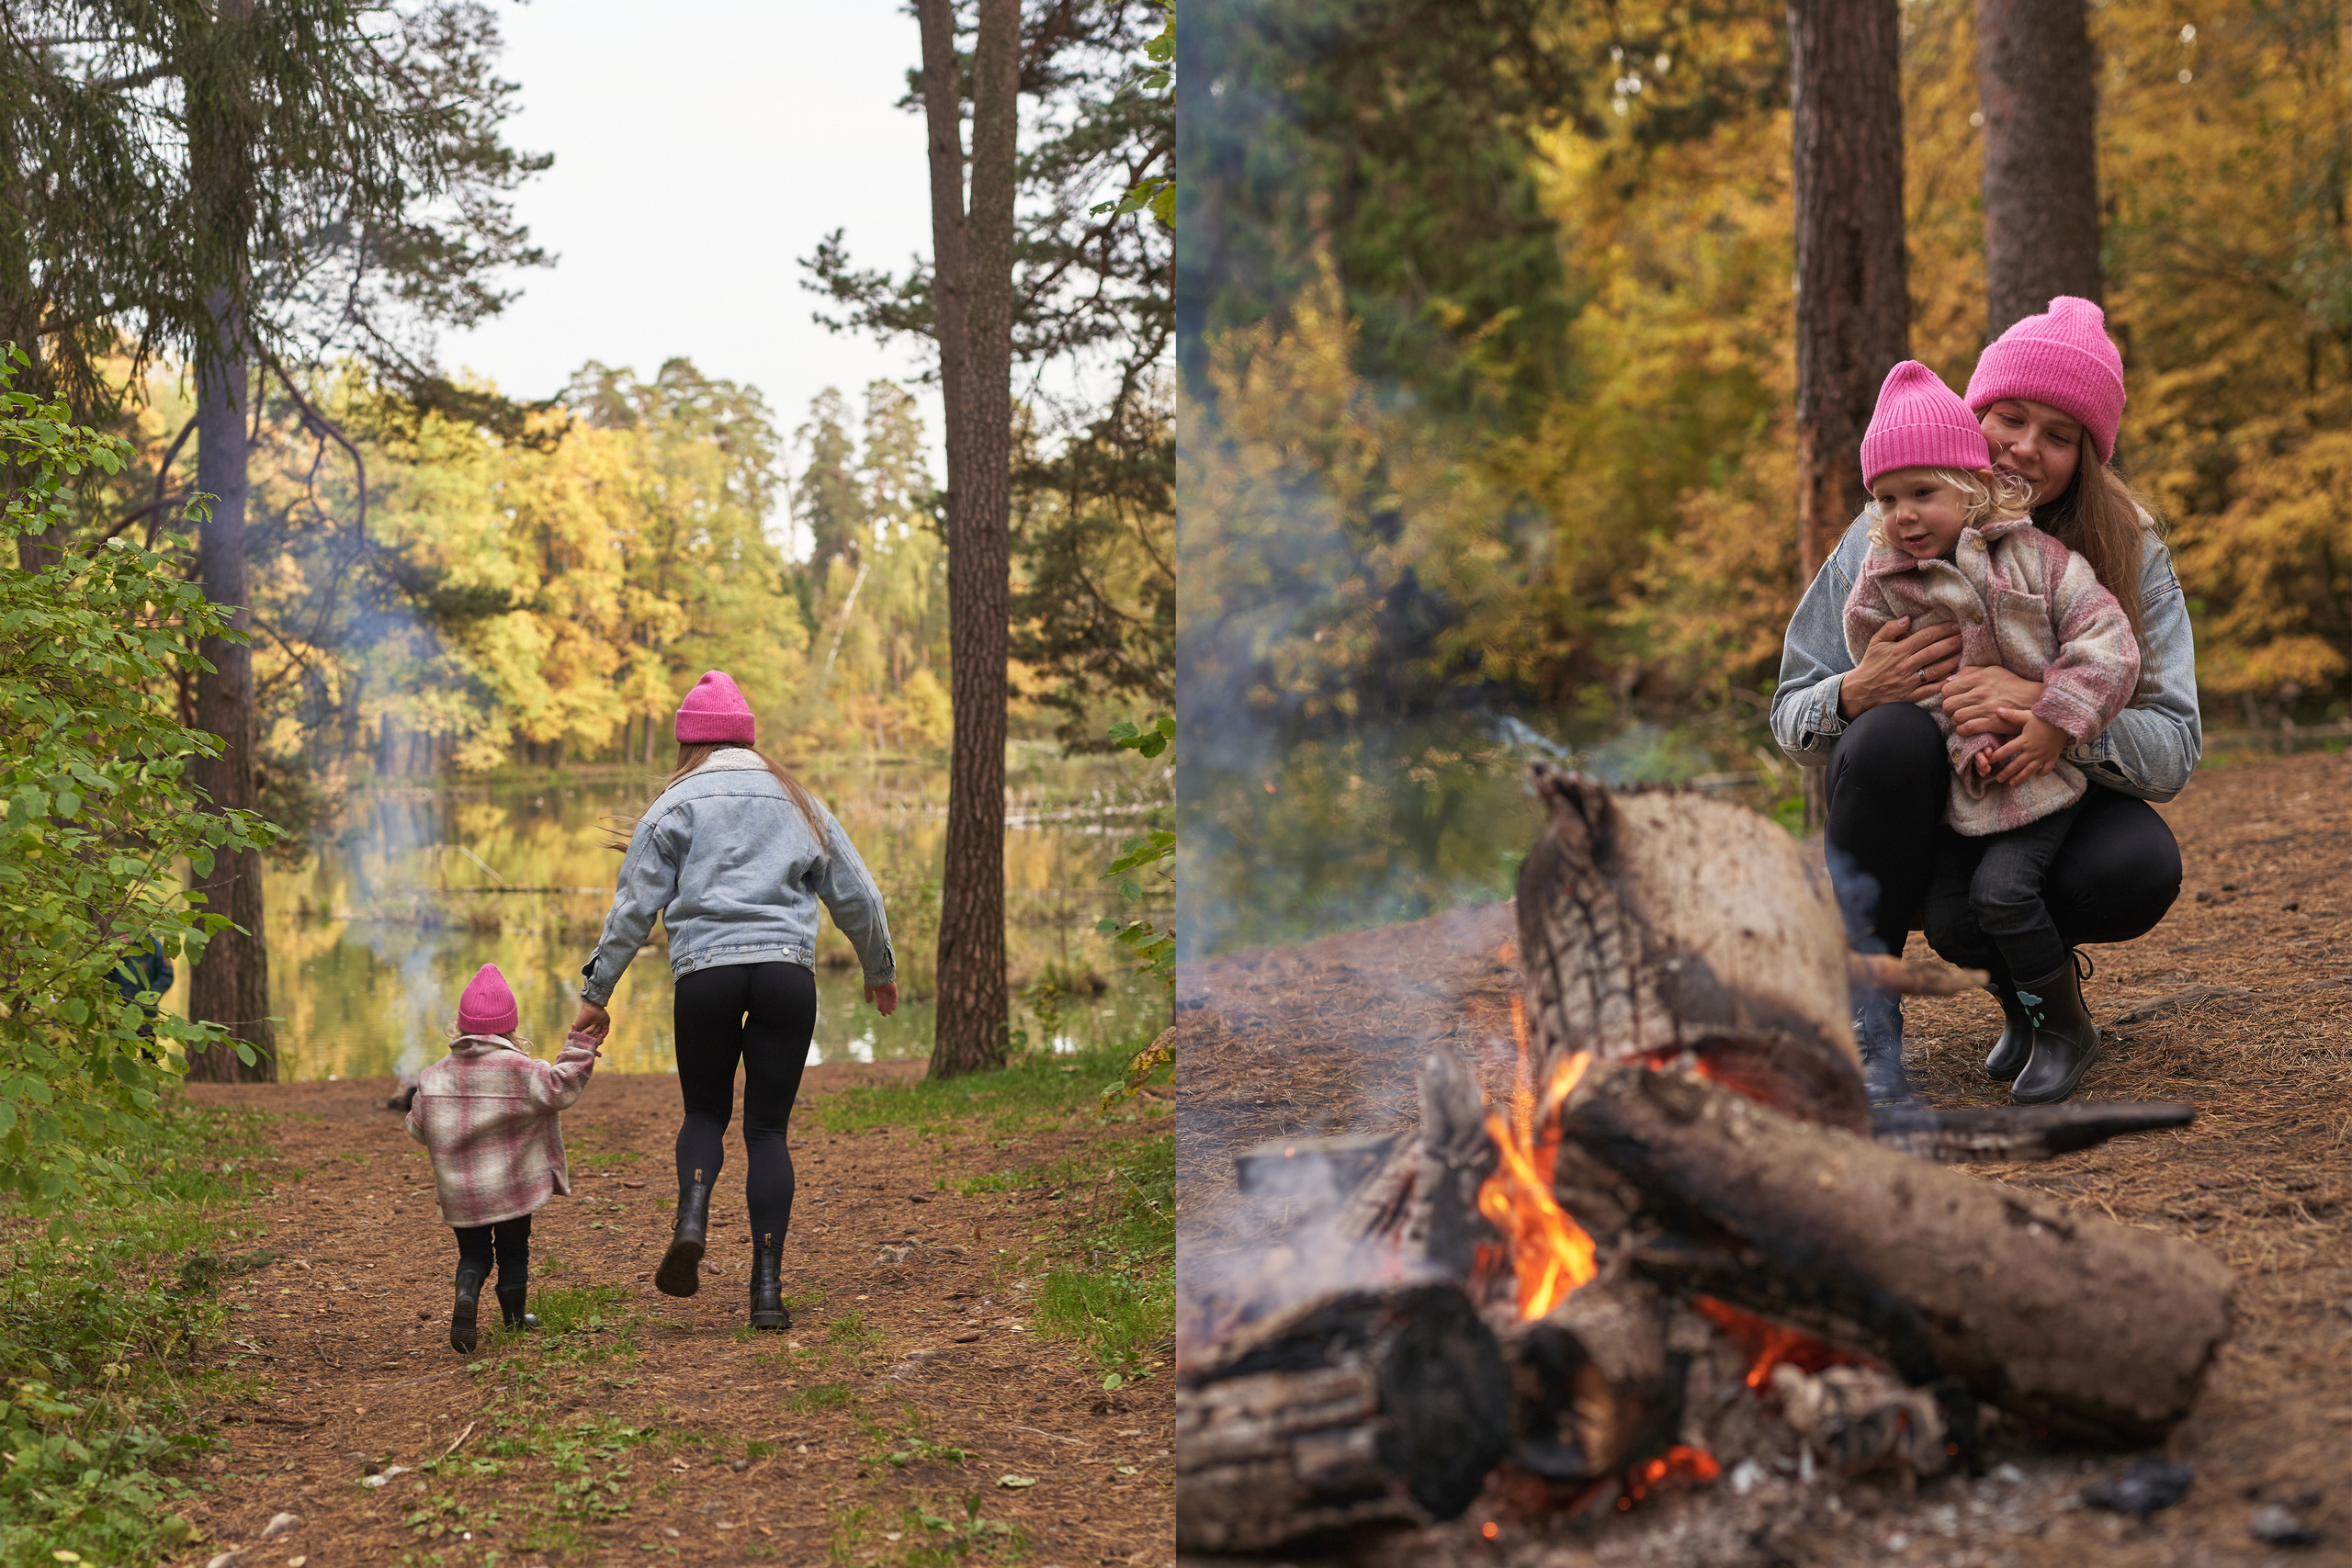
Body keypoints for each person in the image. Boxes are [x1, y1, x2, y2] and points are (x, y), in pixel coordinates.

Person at [1772, 297, 2200, 1103]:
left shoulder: (2127, 547)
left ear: (2087, 456)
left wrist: (2050, 711)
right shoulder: (1889, 533)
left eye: (2060, 435)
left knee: (2136, 865)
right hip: (1924, 807)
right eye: (2010, 417)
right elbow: (1791, 718)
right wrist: (1856, 691)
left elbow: (2174, 747)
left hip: (2047, 796)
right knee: (1888, 739)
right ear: (1974, 414)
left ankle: (2040, 999)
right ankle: (1867, 1021)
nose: (2026, 447)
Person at [1842, 362, 2142, 1104]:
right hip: (1960, 787)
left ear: (1972, 487)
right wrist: (1874, 692)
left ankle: (2064, 1027)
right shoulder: (1884, 579)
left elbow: (2110, 647)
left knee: (2005, 893)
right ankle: (2023, 1009)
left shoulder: (2038, 559)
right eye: (1887, 498)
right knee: (1952, 922)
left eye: (1924, 493)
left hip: (2038, 774)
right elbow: (1873, 668)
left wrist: (2054, 720)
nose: (1905, 514)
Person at [569, 671, 898, 1332]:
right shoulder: (797, 799)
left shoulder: (673, 804)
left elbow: (632, 909)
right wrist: (878, 966)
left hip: (706, 977)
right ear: (747, 737)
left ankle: (692, 1216)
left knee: (704, 1113)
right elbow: (858, 892)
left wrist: (597, 993)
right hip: (785, 976)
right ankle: (767, 1293)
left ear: (688, 743)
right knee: (768, 1131)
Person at [406, 963, 601, 1353]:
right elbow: (561, 1086)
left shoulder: (433, 1077)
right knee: (514, 1251)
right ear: (511, 1028)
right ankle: (514, 1319)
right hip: (514, 1189)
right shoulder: (524, 1072)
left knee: (473, 1254)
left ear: (460, 1026)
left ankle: (467, 1293)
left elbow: (417, 1128)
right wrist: (581, 1043)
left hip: (462, 1194)